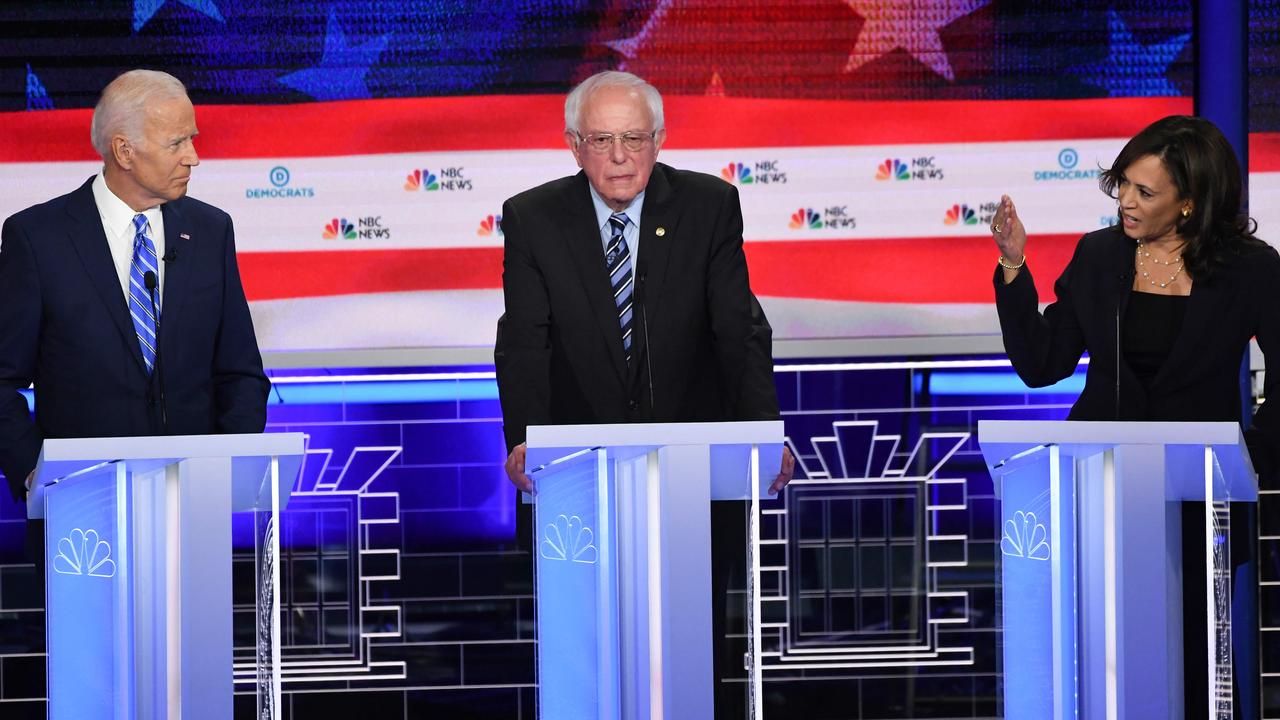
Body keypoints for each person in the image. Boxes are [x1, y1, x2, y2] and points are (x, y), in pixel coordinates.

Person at [493, 70, 793, 716]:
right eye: (602, 140)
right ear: (575, 145)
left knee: (693, 642)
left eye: (634, 138)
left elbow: (737, 329)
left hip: (689, 470)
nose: (620, 157)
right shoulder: (533, 219)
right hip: (579, 472)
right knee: (587, 649)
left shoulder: (709, 206)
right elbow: (524, 342)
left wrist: (763, 434)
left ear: (659, 140)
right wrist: (524, 438)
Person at [990, 114, 1278, 713]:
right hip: (1100, 489)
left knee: (1197, 667)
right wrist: (1015, 268)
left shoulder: (1250, 268)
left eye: (1144, 192)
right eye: (1122, 184)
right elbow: (1044, 363)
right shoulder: (1100, 255)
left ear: (1189, 205)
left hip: (1202, 498)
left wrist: (1251, 459)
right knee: (1099, 656)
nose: (1125, 200)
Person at [0, 69, 269, 560]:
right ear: (124, 151)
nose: (194, 156)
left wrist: (226, 465)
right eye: (177, 143)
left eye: (193, 139)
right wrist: (34, 471)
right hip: (79, 519)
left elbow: (242, 373)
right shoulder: (37, 239)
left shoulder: (211, 231)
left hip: (191, 515)